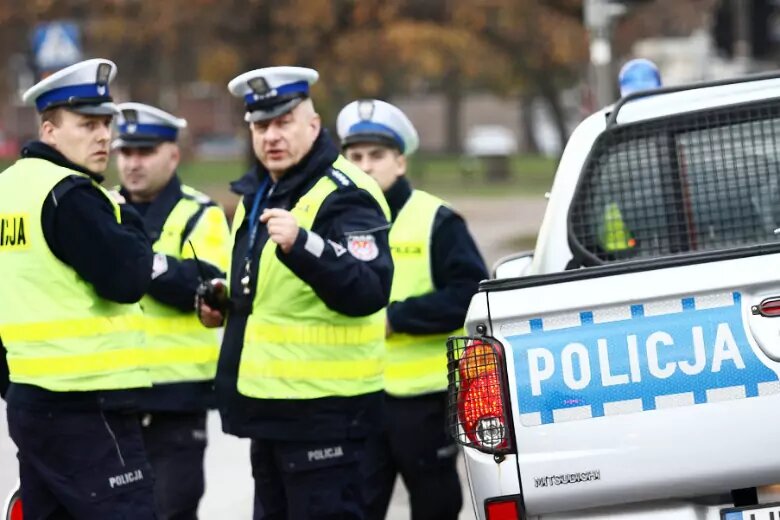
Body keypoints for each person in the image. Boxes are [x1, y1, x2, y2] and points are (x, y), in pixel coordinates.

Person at [198, 66, 394, 520]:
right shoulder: (259, 194)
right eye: (261, 126)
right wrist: (226, 303)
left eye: (284, 122)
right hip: (271, 411)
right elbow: (269, 293)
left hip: (327, 415)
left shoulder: (346, 194)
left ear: (313, 124)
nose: (272, 136)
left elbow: (369, 289)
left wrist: (304, 245)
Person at [0, 59, 157, 518]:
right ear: (49, 131)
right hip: (89, 406)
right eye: (87, 125)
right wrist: (127, 216)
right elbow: (130, 279)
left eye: (106, 124)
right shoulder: (72, 195)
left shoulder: (7, 189)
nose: (103, 136)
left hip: (30, 401)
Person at [337, 99, 488, 520]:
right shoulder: (337, 222)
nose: (365, 166)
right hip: (358, 396)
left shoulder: (436, 220)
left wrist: (397, 318)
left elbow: (470, 294)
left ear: (400, 162)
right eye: (355, 157)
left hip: (424, 402)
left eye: (376, 156)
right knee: (354, 506)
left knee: (435, 505)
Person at [114, 102, 231, 519]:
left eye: (145, 152)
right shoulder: (100, 208)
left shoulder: (201, 213)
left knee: (173, 509)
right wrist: (162, 266)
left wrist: (136, 261)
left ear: (173, 155)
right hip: (114, 391)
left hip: (179, 396)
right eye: (125, 152)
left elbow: (206, 286)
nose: (133, 163)